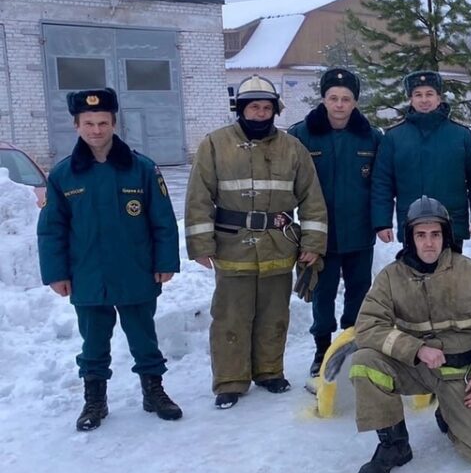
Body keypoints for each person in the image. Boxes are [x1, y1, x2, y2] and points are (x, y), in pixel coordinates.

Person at [37, 87, 182, 430]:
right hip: (88, 275)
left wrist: (165, 262)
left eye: (103, 122)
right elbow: (52, 230)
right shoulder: (63, 176)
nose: (96, 130)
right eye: (89, 123)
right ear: (77, 125)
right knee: (93, 342)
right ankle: (94, 400)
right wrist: (56, 273)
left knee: (144, 337)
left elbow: (162, 220)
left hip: (136, 271)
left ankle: (154, 391)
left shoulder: (142, 169)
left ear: (114, 123)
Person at [350, 196, 471, 473]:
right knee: (364, 362)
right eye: (421, 235)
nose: (429, 243)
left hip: (462, 375)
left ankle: (449, 414)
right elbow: (366, 326)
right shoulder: (391, 278)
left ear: (446, 236)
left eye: (436, 235)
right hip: (416, 369)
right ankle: (395, 444)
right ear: (410, 238)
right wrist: (415, 349)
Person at [185, 75, 327, 408]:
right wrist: (201, 244)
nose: (260, 113)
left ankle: (269, 371)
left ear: (275, 110)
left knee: (274, 314)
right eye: (254, 107)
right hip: (232, 246)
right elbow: (198, 197)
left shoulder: (293, 148)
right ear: (241, 109)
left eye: (266, 107)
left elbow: (312, 199)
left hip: (278, 246)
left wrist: (313, 242)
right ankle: (230, 380)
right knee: (231, 316)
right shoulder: (215, 144)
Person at [288, 67, 383, 375]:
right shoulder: (301, 135)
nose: (339, 104)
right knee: (322, 293)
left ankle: (349, 344)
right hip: (320, 237)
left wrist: (380, 222)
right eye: (333, 98)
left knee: (358, 291)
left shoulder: (370, 137)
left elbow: (381, 185)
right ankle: (321, 349)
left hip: (359, 233)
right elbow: (288, 184)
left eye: (346, 99)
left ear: (354, 102)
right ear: (323, 99)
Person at [371, 70, 471, 252]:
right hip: (413, 226)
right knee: (415, 279)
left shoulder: (461, 135)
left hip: (452, 226)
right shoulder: (394, 138)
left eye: (429, 94)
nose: (424, 100)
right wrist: (382, 222)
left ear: (439, 98)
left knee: (451, 278)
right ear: (411, 99)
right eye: (418, 95)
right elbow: (382, 183)